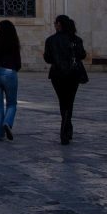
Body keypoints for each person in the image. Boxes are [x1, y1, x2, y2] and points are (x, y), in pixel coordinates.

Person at [43, 14, 87, 145]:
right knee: (69, 100)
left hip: (57, 74)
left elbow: (48, 58)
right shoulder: (76, 39)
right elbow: (82, 55)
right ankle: (66, 127)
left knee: (63, 100)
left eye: (55, 23)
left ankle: (66, 127)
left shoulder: (51, 40)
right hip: (73, 74)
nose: (54, 25)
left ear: (59, 24)